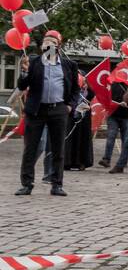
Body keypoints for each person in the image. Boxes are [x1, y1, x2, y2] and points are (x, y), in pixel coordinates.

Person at [15, 30, 79, 197]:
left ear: (59, 45)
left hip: (58, 109)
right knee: (31, 148)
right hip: (36, 111)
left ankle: (56, 184)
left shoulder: (69, 65)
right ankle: (27, 184)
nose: (48, 44)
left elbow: (75, 90)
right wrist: (24, 72)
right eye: (46, 41)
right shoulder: (34, 62)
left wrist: (70, 106)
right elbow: (22, 86)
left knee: (58, 148)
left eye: (52, 41)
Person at [63, 74, 96, 172]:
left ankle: (82, 162)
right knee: (69, 140)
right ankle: (67, 162)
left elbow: (91, 96)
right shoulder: (71, 90)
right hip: (71, 117)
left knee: (82, 140)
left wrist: (87, 83)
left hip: (83, 119)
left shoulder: (87, 91)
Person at [99, 73, 128, 168]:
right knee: (110, 137)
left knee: (126, 140)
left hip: (126, 116)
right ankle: (106, 159)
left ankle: (123, 160)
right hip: (113, 115)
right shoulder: (111, 85)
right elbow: (106, 98)